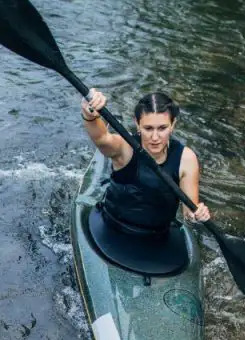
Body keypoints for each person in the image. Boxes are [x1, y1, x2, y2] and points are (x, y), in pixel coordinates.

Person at [81, 89, 210, 233]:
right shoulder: (125, 147)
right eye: (148, 128)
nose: (155, 137)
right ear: (137, 124)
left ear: (173, 125)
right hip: (113, 227)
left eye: (162, 128)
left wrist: (195, 216)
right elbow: (102, 139)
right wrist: (90, 115)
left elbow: (188, 215)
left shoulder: (186, 159)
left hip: (158, 236)